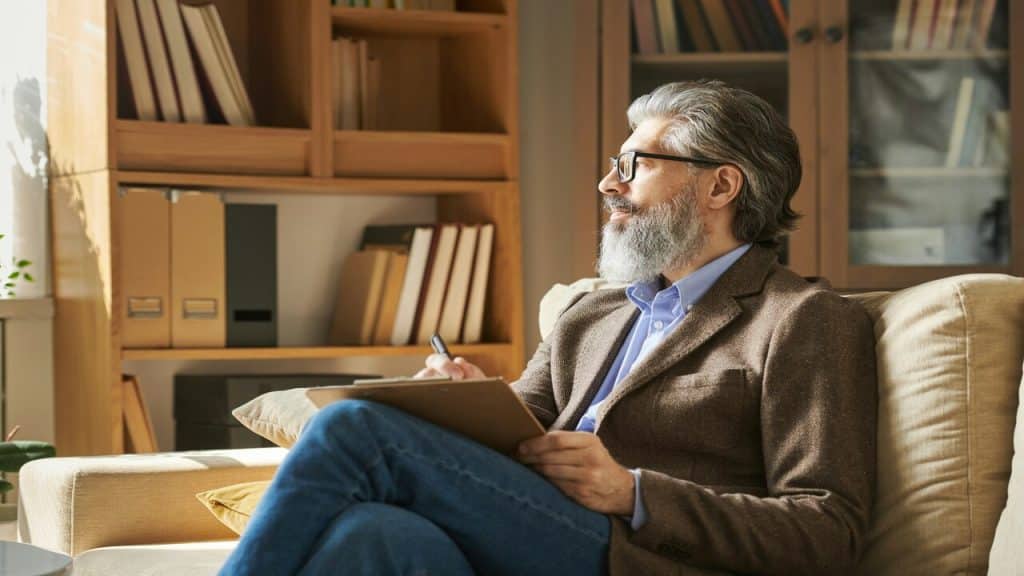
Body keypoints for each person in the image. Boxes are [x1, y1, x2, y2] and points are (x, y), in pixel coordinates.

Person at [218, 80, 877, 576]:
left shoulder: (801, 320)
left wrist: (634, 492)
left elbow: (827, 529)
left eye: (634, 164)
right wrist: (462, 400)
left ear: (721, 186)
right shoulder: (589, 314)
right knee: (372, 535)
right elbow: (518, 432)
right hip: (537, 533)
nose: (606, 184)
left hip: (636, 555)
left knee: (350, 428)